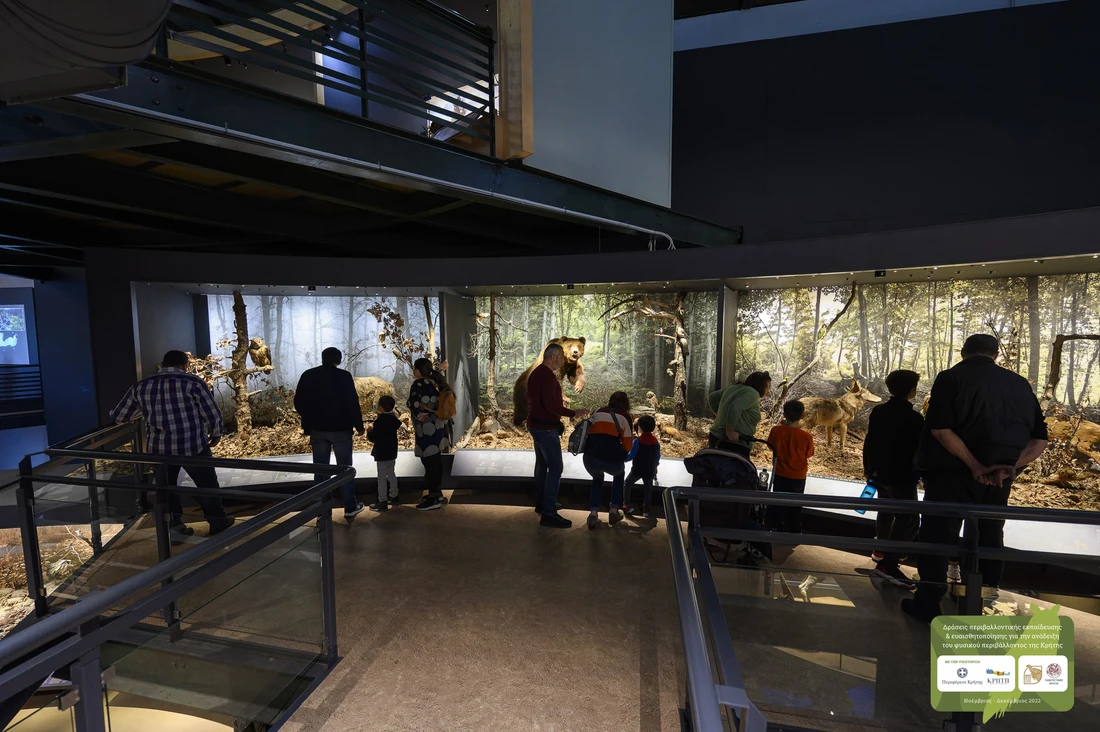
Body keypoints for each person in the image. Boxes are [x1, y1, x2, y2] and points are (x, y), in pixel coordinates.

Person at [903, 334, 1048, 623]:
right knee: (989, 536)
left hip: (950, 477)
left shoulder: (951, 378)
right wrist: (1006, 467)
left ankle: (928, 603)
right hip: (998, 481)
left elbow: (940, 430)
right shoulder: (1020, 384)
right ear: (995, 355)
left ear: (963, 352)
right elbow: (1039, 440)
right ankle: (982, 602)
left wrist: (975, 465)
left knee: (937, 537)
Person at [110, 350, 233, 538]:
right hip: (194, 446)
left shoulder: (142, 386)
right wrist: (216, 434)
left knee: (166, 489)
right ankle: (217, 521)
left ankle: (175, 528)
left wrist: (143, 412)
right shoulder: (193, 383)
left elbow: (119, 416)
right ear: (185, 365)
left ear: (163, 364)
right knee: (207, 485)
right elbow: (213, 413)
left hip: (160, 450)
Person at [862, 370, 923, 589]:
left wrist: (868, 469)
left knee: (886, 511)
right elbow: (917, 450)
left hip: (879, 473)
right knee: (910, 520)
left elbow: (870, 441)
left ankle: (881, 550)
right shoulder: (915, 418)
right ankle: (888, 563)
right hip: (902, 476)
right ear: (912, 390)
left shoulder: (879, 411)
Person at [295, 347, 366, 519]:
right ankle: (350, 506)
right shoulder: (344, 376)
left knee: (321, 470)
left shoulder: (308, 375)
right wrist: (359, 426)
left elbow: (299, 402)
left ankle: (322, 508)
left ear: (322, 358)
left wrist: (309, 420)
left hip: (318, 430)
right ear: (339, 360)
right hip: (341, 430)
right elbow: (352, 403)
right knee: (344, 469)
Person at [527, 342, 590, 528]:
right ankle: (549, 513)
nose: (563, 362)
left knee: (541, 465)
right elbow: (551, 405)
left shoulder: (536, 373)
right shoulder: (547, 376)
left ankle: (542, 503)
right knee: (555, 468)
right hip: (545, 429)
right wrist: (574, 413)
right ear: (553, 357)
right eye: (561, 358)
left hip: (536, 426)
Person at [583, 391, 634, 530]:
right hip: (612, 461)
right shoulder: (625, 417)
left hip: (590, 458)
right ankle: (614, 511)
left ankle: (593, 514)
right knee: (619, 474)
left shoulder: (597, 411)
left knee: (597, 478)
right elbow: (627, 446)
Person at [766, 400, 815, 535]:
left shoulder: (776, 430)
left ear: (784, 414)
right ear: (803, 415)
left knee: (778, 502)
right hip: (798, 476)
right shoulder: (806, 437)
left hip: (780, 473)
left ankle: (776, 528)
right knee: (795, 504)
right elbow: (809, 454)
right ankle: (794, 531)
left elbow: (770, 446)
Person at [408, 357, 451, 511]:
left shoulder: (418, 384)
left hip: (426, 429)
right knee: (436, 460)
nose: (413, 371)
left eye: (415, 369)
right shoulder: (436, 381)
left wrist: (418, 414)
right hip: (438, 427)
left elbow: (412, 403)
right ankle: (437, 493)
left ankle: (433, 498)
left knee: (429, 462)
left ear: (419, 371)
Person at [708, 372, 772, 457]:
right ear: (761, 385)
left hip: (715, 437)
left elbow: (712, 397)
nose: (768, 390)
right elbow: (735, 406)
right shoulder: (753, 393)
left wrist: (721, 414)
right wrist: (729, 430)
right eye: (768, 386)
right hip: (732, 442)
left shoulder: (733, 388)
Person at [367, 394, 402, 512]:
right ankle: (394, 495)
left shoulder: (379, 422)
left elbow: (374, 438)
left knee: (381, 477)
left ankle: (382, 501)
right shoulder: (393, 420)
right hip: (392, 452)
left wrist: (369, 431)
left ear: (381, 408)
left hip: (382, 453)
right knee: (391, 473)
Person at [623, 415, 660, 518]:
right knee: (648, 489)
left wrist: (623, 459)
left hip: (637, 469)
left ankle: (626, 505)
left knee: (627, 484)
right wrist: (655, 466)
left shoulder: (637, 441)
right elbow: (657, 456)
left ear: (640, 427)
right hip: (650, 470)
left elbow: (631, 455)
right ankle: (646, 509)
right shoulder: (655, 442)